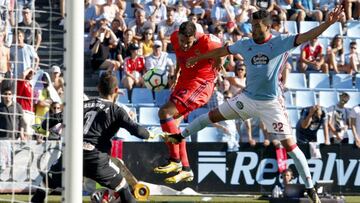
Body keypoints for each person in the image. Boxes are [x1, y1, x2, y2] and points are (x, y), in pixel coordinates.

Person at [166, 7, 345, 203]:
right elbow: (224, 50)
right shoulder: (245, 44)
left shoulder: (281, 42)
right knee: (210, 117)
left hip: (271, 104)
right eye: (252, 26)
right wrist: (197, 58)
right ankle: (179, 136)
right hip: (247, 99)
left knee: (291, 147)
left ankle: (311, 189)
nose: (254, 30)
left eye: (258, 26)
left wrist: (328, 23)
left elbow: (309, 34)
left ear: (268, 26)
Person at [31, 71, 157, 203]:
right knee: (123, 187)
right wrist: (151, 134)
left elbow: (56, 117)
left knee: (46, 183)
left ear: (98, 88)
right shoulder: (116, 110)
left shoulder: (83, 104)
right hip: (95, 159)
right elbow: (138, 131)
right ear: (116, 90)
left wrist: (42, 127)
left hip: (72, 154)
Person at [154, 21, 223, 184]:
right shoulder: (174, 37)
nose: (184, 45)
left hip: (201, 84)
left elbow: (222, 53)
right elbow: (180, 55)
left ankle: (175, 160)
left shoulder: (208, 41)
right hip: (184, 82)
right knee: (173, 126)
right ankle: (186, 169)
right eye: (182, 41)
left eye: (188, 42)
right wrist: (177, 73)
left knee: (164, 113)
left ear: (195, 37)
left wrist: (216, 71)